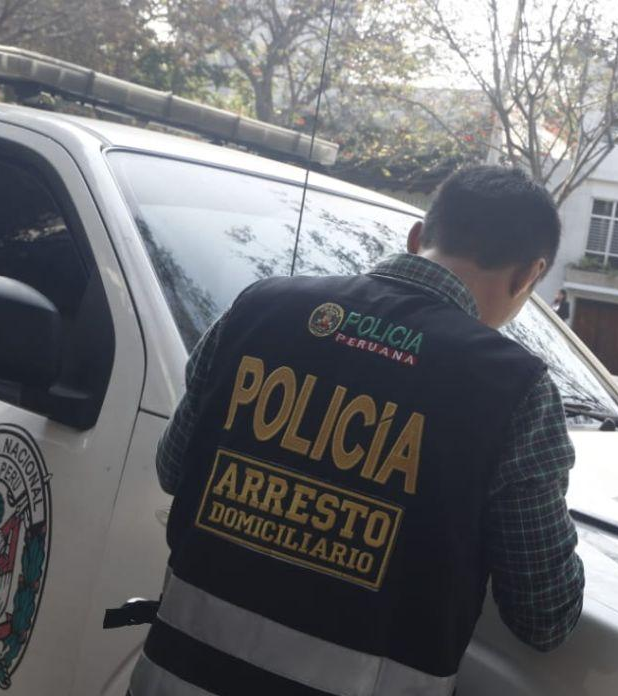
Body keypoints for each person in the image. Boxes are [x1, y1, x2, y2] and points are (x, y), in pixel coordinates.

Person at [129, 166, 585, 696]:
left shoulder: (257, 308)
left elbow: (173, 468)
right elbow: (545, 615)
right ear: (529, 275)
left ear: (417, 237)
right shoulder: (514, 389)